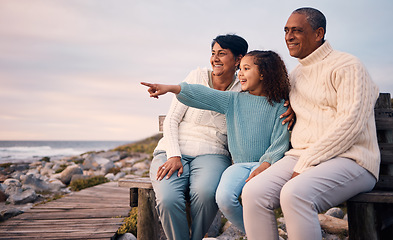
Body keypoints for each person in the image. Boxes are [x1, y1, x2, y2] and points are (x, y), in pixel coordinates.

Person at [241, 7, 380, 240]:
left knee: (295, 194)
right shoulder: (295, 75)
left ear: (318, 33)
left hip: (353, 159)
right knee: (253, 192)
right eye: (286, 30)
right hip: (301, 156)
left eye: (297, 30)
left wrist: (306, 163)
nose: (289, 36)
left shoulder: (347, 66)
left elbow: (351, 125)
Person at [142, 49, 291, 233]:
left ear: (263, 73)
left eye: (246, 68)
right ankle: (256, 234)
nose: (240, 73)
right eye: (240, 69)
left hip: (268, 166)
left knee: (246, 195)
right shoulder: (234, 100)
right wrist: (173, 88)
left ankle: (263, 235)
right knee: (224, 199)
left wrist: (266, 163)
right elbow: (202, 94)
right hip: (238, 166)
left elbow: (280, 142)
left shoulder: (281, 105)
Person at [147, 34, 246, 240]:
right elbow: (172, 120)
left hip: (213, 153)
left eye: (222, 54)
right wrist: (174, 155)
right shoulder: (196, 77)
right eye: (213, 53)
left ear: (238, 59)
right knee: (167, 199)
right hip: (173, 150)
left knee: (206, 193)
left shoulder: (243, 90)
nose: (215, 59)